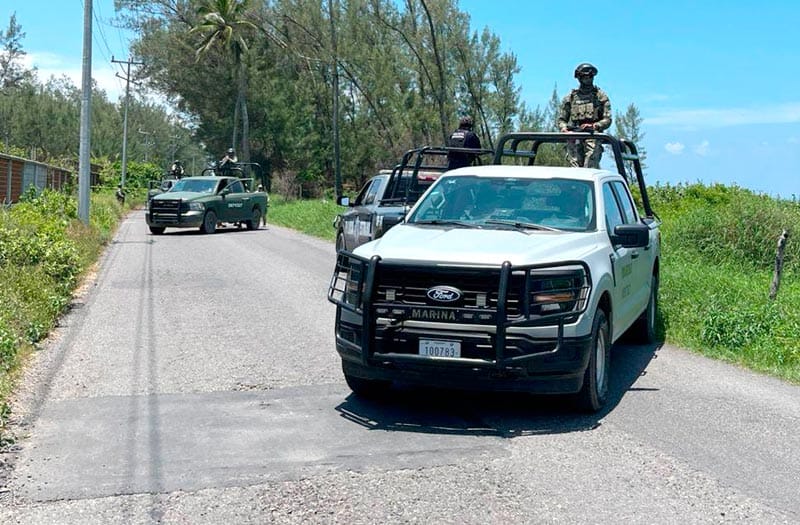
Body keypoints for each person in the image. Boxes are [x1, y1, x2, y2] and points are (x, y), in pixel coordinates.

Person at [557, 63, 612, 168]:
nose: (587, 79)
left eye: (590, 77)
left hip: (592, 135)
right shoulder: (571, 97)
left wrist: (593, 126)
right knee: (574, 168)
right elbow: (561, 119)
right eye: (584, 77)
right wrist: (565, 130)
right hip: (574, 136)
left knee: (590, 165)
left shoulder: (600, 97)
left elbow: (607, 120)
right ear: (579, 78)